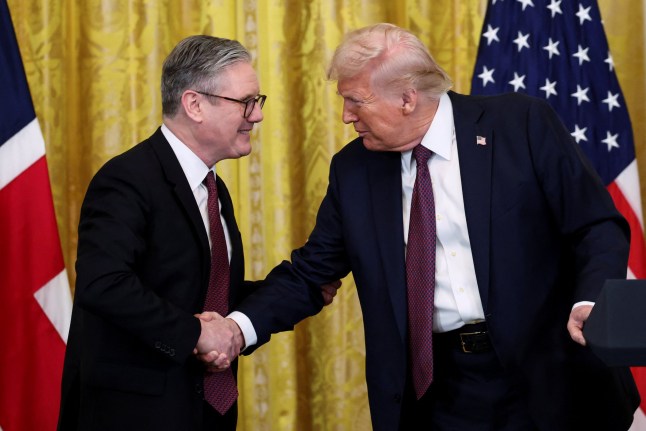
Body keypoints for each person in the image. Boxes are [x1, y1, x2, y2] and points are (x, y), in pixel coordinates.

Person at [218, 23, 640, 431]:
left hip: (549, 376)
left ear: (407, 98)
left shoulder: (520, 125)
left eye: (356, 100)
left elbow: (595, 225)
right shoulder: (354, 170)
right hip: (438, 394)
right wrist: (237, 328)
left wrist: (589, 300)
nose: (346, 116)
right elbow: (311, 273)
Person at [56, 35, 339, 431]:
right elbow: (103, 284)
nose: (256, 116)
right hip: (136, 415)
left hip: (204, 412)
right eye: (246, 102)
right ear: (194, 104)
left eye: (258, 102)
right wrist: (195, 334)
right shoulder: (127, 179)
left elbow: (205, 294)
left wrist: (300, 289)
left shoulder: (212, 187)